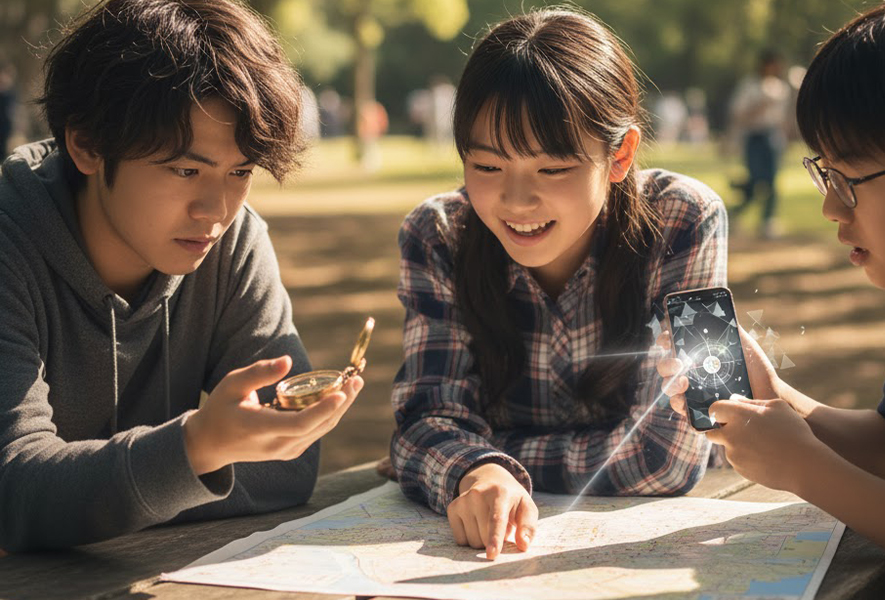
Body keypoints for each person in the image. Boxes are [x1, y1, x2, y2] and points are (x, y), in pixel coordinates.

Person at [659, 2, 885, 598]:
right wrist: (769, 396)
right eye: (824, 174)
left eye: (850, 182)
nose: (831, 208)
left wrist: (805, 469)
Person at [0, 0, 363, 552]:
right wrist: (195, 449)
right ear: (87, 145)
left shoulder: (234, 241)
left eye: (240, 171)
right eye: (186, 170)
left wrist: (80, 503)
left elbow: (289, 466)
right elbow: (12, 488)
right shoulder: (10, 241)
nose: (215, 209)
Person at [390, 9, 727, 561]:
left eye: (552, 170)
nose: (517, 202)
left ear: (619, 155)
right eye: (489, 167)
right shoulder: (438, 236)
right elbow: (426, 418)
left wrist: (483, 457)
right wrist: (477, 470)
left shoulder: (686, 220)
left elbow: (669, 457)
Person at [727, 50, 791, 239]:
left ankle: (767, 220)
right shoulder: (750, 86)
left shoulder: (780, 87)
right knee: (755, 180)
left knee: (771, 180)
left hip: (773, 135)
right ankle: (734, 213)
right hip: (754, 136)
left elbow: (782, 117)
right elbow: (738, 114)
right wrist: (760, 106)